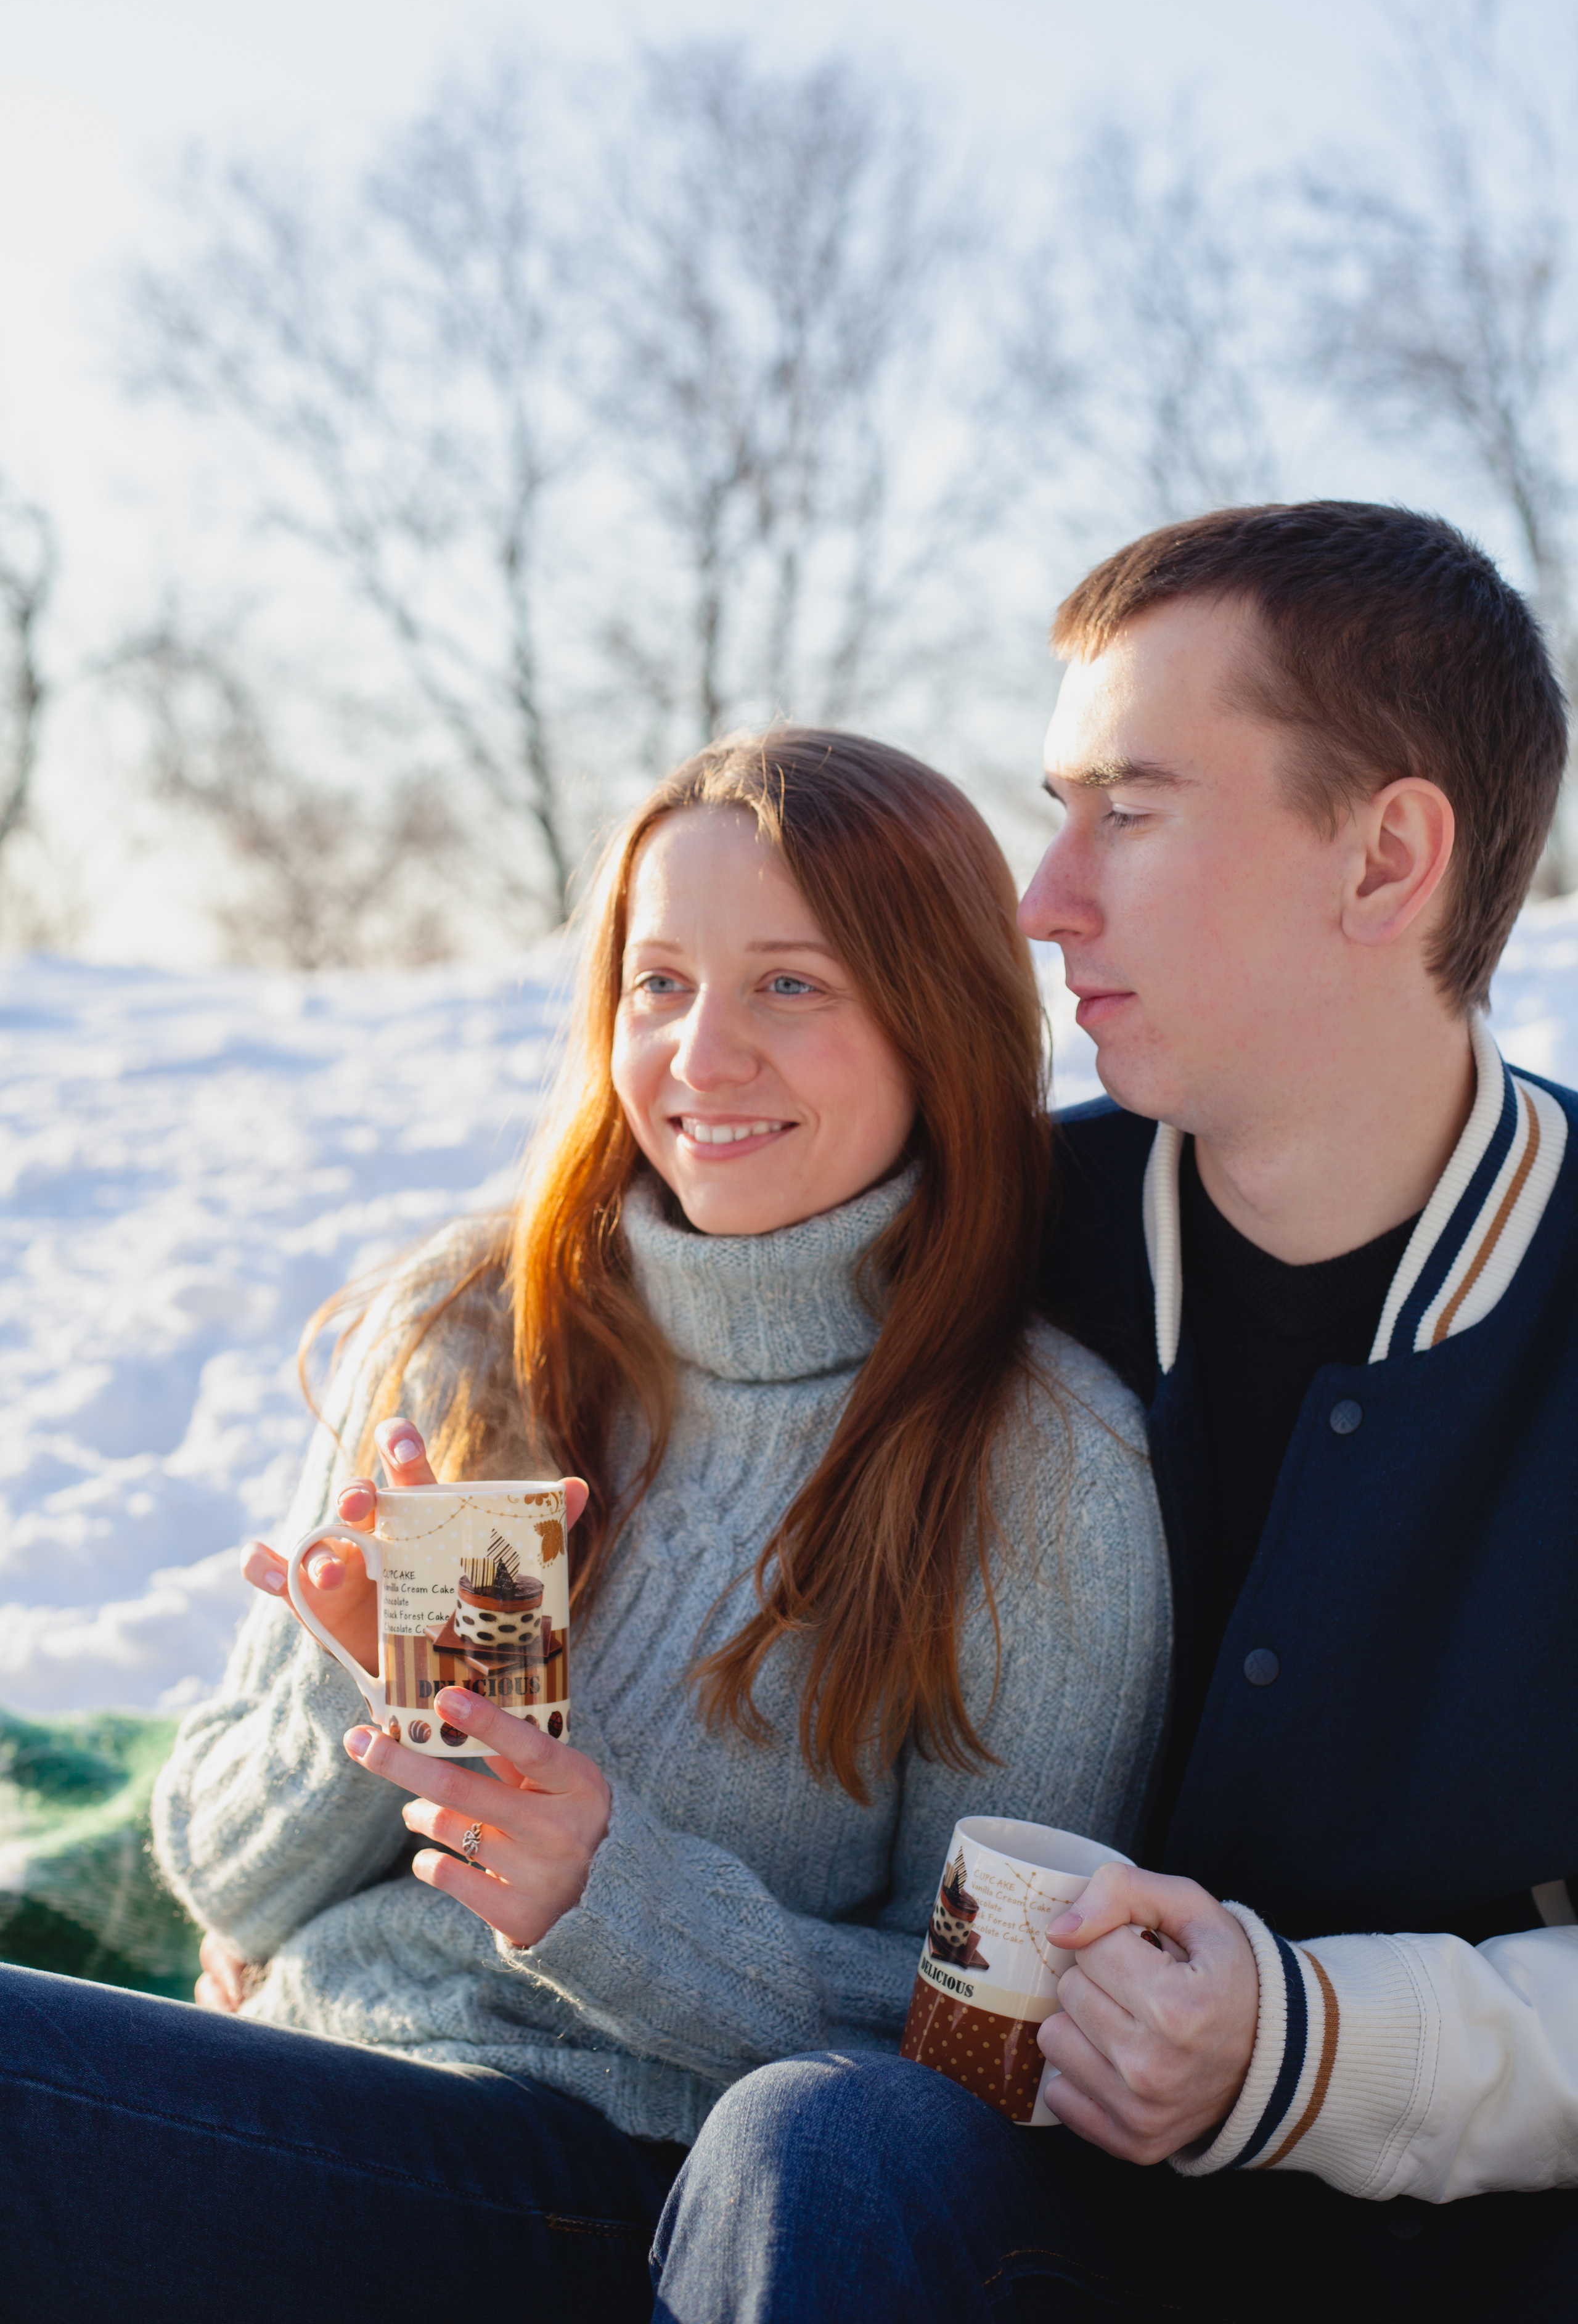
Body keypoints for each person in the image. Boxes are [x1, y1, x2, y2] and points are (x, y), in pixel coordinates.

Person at [0, 729, 1171, 2322]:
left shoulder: (1034, 1459)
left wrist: (608, 1892)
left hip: (661, 2190)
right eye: (660, 982)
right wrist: (391, 1684)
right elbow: (228, 1882)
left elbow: (994, 2042)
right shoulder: (486, 1333)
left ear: (937, 1018)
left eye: (791, 986)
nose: (702, 1055)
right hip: (336, 2107)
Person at [649, 504, 1578, 2320]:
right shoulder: (985, 1231)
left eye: (1128, 811)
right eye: (1057, 804)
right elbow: (666, 1250)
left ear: (1386, 860)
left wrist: (1298, 2043)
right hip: (1024, 2229)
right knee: (815, 2150)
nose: (1040, 894)